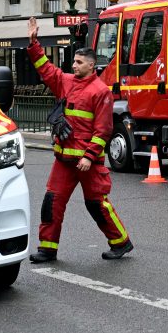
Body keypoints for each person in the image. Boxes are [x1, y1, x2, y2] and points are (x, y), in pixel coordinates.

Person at [26, 17, 133, 263]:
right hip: (64, 160)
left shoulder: (101, 92)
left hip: (88, 163)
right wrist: (34, 43)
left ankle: (121, 242)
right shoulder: (66, 82)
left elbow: (103, 130)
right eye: (74, 61)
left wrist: (88, 156)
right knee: (51, 202)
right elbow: (45, 68)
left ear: (92, 65)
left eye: (79, 62)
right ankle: (47, 249)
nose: (73, 65)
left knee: (97, 205)